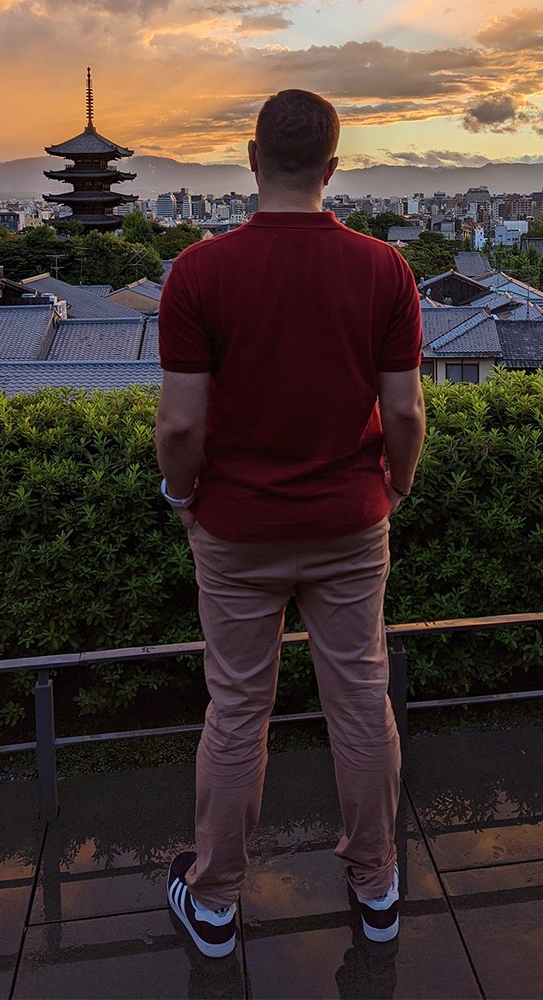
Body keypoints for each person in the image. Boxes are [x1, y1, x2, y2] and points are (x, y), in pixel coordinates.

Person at [155, 88, 425, 959]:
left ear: (250, 159)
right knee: (360, 702)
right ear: (333, 168)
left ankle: (219, 901)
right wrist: (397, 487)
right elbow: (408, 412)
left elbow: (181, 426)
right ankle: (376, 884)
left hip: (236, 530)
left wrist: (182, 497)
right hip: (351, 523)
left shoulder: (200, 271)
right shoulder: (383, 267)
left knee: (237, 710)